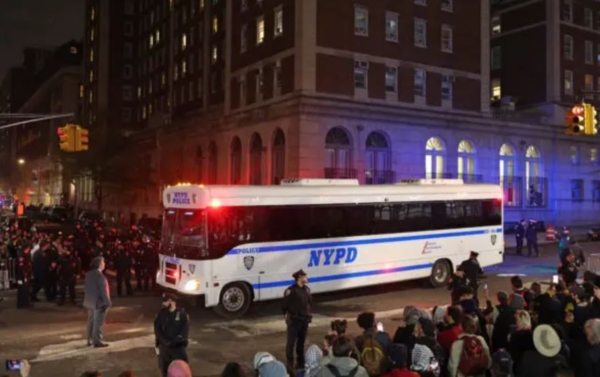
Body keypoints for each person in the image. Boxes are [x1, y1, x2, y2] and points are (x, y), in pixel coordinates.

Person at [283, 269, 313, 369]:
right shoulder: (291, 291)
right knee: (291, 344)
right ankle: (290, 364)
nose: (306, 278)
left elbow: (309, 303)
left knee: (301, 343)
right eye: (304, 276)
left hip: (304, 321)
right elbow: (284, 306)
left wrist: (308, 315)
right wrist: (289, 318)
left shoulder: (307, 290)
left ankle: (300, 363)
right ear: (299, 278)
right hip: (294, 321)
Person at [154, 294, 190, 377]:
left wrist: (177, 340)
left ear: (171, 301)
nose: (164, 304)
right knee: (165, 369)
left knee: (182, 367)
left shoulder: (182, 314)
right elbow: (157, 328)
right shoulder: (162, 313)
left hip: (178, 346)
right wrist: (164, 341)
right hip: (165, 346)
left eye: (165, 302)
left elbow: (185, 330)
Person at [83, 256, 111, 348]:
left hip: (90, 301)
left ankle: (89, 339)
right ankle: (97, 341)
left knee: (91, 321)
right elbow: (103, 291)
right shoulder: (100, 276)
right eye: (103, 262)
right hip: (99, 302)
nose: (104, 264)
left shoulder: (88, 274)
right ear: (99, 264)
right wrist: (107, 302)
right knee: (98, 323)